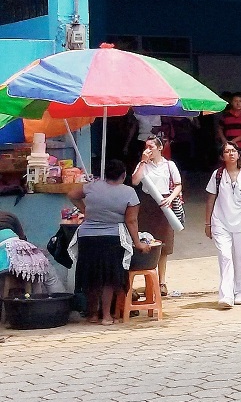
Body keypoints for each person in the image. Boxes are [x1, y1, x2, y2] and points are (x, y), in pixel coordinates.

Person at [68, 160, 151, 325]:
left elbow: (72, 195)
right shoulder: (129, 192)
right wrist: (138, 243)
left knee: (92, 275)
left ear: (105, 175)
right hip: (112, 238)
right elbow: (131, 220)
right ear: (123, 175)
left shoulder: (93, 186)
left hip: (87, 237)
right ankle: (106, 316)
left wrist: (85, 210)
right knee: (109, 278)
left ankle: (92, 315)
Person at [204, 142, 241, 310]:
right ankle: (226, 295)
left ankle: (239, 291)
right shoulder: (217, 175)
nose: (231, 154)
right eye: (227, 151)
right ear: (222, 156)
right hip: (220, 222)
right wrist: (208, 223)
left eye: (233, 151)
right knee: (225, 257)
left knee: (240, 258)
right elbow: (210, 199)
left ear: (238, 154)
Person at [130, 135, 182, 299]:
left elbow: (178, 185)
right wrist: (143, 161)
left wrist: (171, 198)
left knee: (164, 244)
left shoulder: (169, 165)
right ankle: (148, 283)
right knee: (147, 243)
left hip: (164, 204)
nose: (148, 150)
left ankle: (162, 281)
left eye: (151, 147)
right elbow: (135, 181)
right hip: (147, 204)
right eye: (146, 147)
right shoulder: (143, 165)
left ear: (160, 148)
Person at [219, 92, 241, 165]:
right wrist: (224, 141)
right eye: (235, 101)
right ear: (231, 102)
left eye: (240, 101)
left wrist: (233, 141)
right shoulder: (226, 115)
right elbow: (220, 128)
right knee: (229, 167)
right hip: (229, 147)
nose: (238, 103)